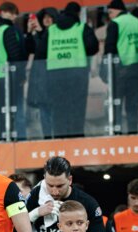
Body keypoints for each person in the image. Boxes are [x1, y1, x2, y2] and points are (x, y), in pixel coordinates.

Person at [42, 2, 99, 137]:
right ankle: (76, 138)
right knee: (77, 108)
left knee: (58, 109)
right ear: (78, 13)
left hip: (55, 75)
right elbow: (93, 47)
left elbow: (40, 52)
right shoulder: (81, 28)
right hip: (77, 74)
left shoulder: (51, 30)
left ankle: (61, 139)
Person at [0, 2, 28, 140]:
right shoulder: (7, 30)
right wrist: (21, 76)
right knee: (17, 111)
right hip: (9, 77)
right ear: (3, 13)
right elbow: (15, 56)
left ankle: (2, 140)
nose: (14, 16)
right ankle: (19, 141)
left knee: (1, 113)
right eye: (11, 13)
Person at [103, 0, 138, 135]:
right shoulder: (137, 21)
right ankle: (133, 132)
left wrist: (105, 69)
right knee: (133, 105)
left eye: (110, 12)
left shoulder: (116, 23)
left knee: (117, 104)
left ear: (116, 10)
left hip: (120, 69)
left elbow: (109, 47)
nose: (109, 16)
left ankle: (117, 133)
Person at [25, 7, 58, 139]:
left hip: (55, 79)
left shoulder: (54, 34)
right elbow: (29, 49)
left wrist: (39, 33)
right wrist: (29, 33)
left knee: (53, 111)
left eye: (50, 17)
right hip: (41, 80)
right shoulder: (39, 34)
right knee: (44, 110)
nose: (47, 20)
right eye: (44, 17)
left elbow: (42, 50)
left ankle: (56, 138)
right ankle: (48, 138)